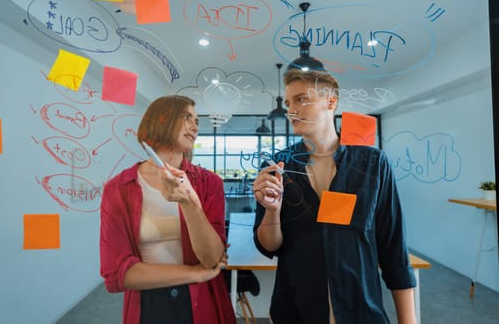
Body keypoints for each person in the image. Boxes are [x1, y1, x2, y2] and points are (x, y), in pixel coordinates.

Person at [252, 67, 417, 323]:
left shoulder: (372, 164)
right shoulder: (277, 166)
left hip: (361, 310)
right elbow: (268, 245)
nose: (291, 110)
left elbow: (393, 249)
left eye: (301, 99)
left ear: (331, 102)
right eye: (288, 103)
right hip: (297, 311)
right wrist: (272, 210)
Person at [100, 95, 236, 324]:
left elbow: (212, 258)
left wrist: (188, 203)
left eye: (197, 121)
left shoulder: (209, 183)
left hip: (201, 301)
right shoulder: (118, 188)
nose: (194, 126)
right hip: (148, 304)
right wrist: (194, 273)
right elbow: (118, 272)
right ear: (161, 120)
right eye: (187, 117)